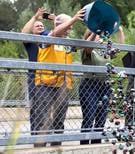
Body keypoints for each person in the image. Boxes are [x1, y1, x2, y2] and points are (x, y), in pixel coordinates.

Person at [33, 9, 85, 147]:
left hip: (62, 85)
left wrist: (93, 32)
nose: (69, 30)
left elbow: (83, 46)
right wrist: (73, 19)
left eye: (71, 28)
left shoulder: (68, 42)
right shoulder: (48, 36)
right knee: (43, 118)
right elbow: (55, 34)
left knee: (59, 119)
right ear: (58, 24)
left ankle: (56, 147)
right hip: (45, 84)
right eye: (68, 26)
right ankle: (39, 148)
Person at [79, 26, 125, 144]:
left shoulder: (105, 50)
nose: (101, 37)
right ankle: (84, 145)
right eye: (99, 35)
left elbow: (121, 48)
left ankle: (96, 142)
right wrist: (95, 32)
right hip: (89, 85)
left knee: (101, 116)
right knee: (90, 115)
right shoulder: (87, 48)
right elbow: (89, 46)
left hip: (104, 85)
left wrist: (119, 31)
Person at [21, 8, 55, 136]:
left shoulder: (46, 37)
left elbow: (57, 33)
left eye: (41, 25)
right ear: (32, 29)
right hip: (34, 77)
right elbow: (23, 34)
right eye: (37, 26)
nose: (40, 26)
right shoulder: (31, 41)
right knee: (36, 108)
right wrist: (35, 18)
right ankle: (35, 135)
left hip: (49, 77)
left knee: (50, 108)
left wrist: (55, 20)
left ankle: (48, 134)